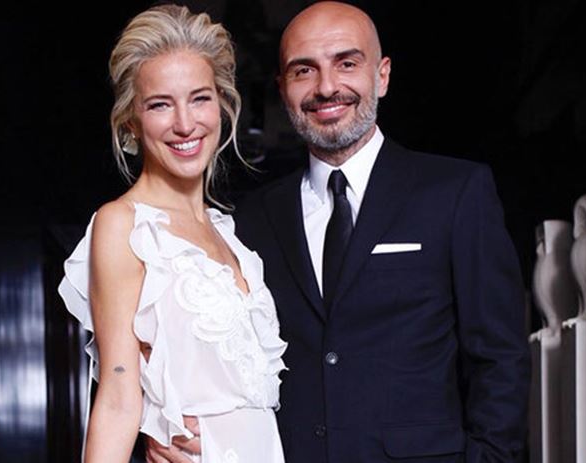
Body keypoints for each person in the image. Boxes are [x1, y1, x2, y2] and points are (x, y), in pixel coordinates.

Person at [148, 2, 529, 462]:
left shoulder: (455, 193)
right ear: (283, 89)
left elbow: (499, 357)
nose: (327, 87)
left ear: (382, 76)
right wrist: (166, 432)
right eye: (304, 70)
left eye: (346, 63)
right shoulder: (249, 221)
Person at [58, 5, 287, 463]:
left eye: (199, 98)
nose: (185, 123)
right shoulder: (124, 225)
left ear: (222, 106)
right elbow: (118, 401)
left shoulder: (227, 234)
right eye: (160, 104)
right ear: (132, 120)